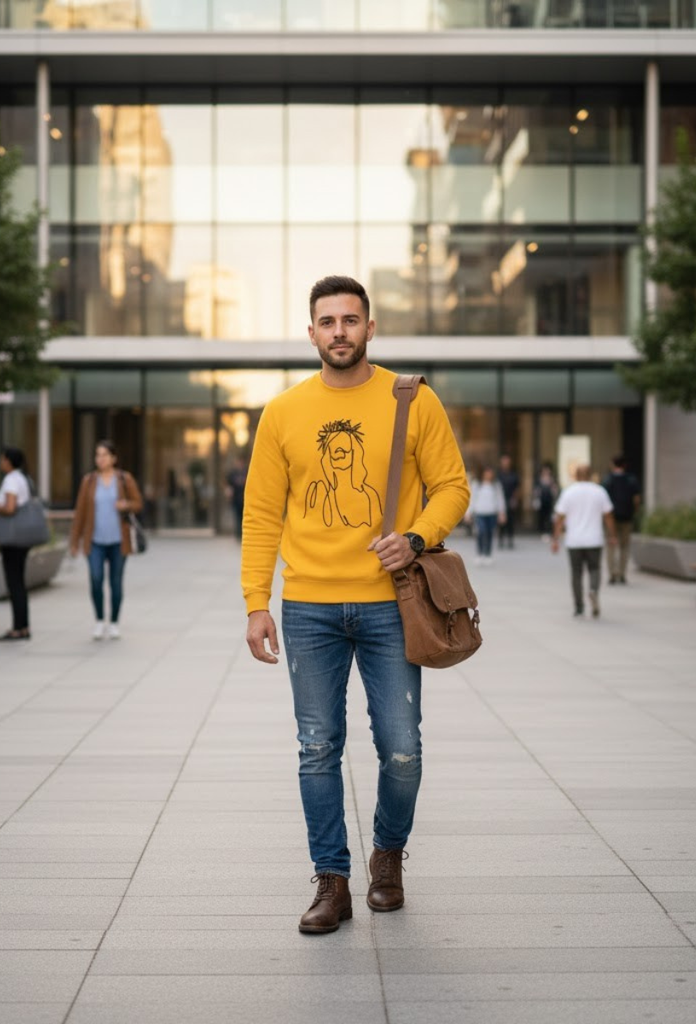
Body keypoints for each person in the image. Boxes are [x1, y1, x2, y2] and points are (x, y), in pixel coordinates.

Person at [241, 275, 469, 935]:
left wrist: (419, 536)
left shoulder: (413, 400)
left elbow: (452, 486)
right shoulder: (283, 413)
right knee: (318, 747)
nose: (339, 330)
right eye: (327, 321)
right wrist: (258, 602)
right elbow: (260, 515)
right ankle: (331, 881)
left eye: (350, 319)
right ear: (311, 332)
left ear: (370, 328)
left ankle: (388, 857)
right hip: (309, 605)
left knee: (401, 749)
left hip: (390, 606)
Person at [69, 440, 144, 640]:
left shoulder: (124, 479)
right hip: (94, 541)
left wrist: (126, 504)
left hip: (119, 541)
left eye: (104, 455)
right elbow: (80, 513)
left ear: (113, 458)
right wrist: (74, 541)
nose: (100, 459)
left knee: (116, 582)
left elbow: (138, 504)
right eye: (97, 455)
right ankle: (100, 620)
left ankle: (114, 623)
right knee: (95, 579)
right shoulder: (89, 481)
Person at [0, 447, 34, 641]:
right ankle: (23, 626)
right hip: (22, 537)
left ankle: (18, 628)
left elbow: (10, 508)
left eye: (2, 459)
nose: (0, 462)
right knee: (19, 581)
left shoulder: (11, 480)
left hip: (12, 537)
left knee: (14, 582)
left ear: (9, 461)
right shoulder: (24, 478)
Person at [551, 464, 617, 618]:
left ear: (575, 476)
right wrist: (612, 535)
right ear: (591, 475)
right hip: (594, 539)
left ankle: (579, 607)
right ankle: (593, 590)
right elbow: (608, 516)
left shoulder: (569, 492)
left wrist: (555, 538)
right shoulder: (599, 491)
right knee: (594, 569)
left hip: (574, 540)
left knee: (576, 573)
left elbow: (559, 517)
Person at [602, 454, 641, 584]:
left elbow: (603, 501)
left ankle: (612, 574)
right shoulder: (631, 479)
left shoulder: (608, 480)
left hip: (611, 518)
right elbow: (636, 499)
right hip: (627, 517)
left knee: (611, 546)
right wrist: (635, 512)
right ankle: (622, 573)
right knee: (624, 547)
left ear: (613, 464)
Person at [466, 466, 506, 564]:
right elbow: (472, 499)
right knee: (481, 532)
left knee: (489, 533)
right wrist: (468, 513)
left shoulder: (496, 485)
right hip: (480, 513)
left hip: (491, 512)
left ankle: (488, 554)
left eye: (490, 473)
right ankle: (480, 554)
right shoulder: (477, 485)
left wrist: (502, 512)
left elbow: (500, 499)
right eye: (487, 472)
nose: (488, 475)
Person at [497, 453, 520, 549]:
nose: (505, 464)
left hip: (510, 499)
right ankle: (501, 539)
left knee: (510, 521)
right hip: (500, 499)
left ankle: (510, 539)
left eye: (507, 462)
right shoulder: (498, 475)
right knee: (501, 521)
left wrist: (515, 499)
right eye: (504, 462)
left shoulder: (513, 475)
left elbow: (517, 488)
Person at [532, 463, 559, 539]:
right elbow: (535, 490)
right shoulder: (539, 479)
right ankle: (542, 531)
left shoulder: (552, 479)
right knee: (541, 517)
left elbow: (555, 490)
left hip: (549, 501)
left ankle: (548, 532)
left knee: (549, 517)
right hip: (541, 501)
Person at [225, 455, 248, 540]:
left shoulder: (247, 472)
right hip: (236, 499)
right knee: (237, 517)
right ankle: (238, 533)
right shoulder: (233, 473)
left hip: (245, 498)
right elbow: (228, 485)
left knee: (244, 517)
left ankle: (243, 533)